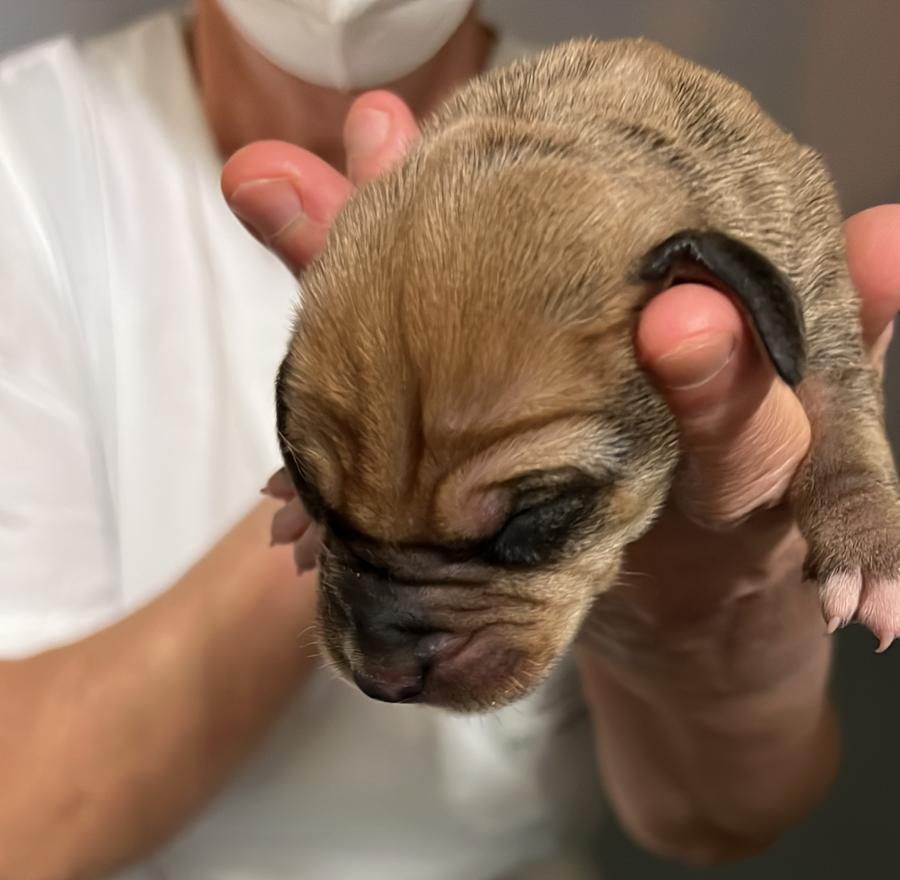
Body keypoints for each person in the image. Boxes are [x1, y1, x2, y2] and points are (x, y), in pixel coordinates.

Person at [0, 0, 898, 877]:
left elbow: (722, 824)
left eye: (524, 522)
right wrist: (356, 470)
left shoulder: (716, 197)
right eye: (321, 486)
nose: (383, 667)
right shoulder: (31, 154)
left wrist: (720, 607)